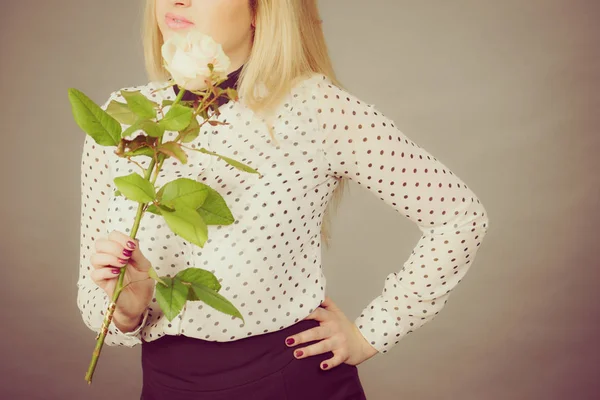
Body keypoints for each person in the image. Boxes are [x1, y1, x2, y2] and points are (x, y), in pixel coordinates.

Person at [76, 0, 490, 399]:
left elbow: (459, 217)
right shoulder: (123, 117)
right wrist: (128, 310)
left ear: (260, 8)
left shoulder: (317, 108)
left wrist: (373, 332)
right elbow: (94, 301)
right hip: (166, 387)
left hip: (290, 384)